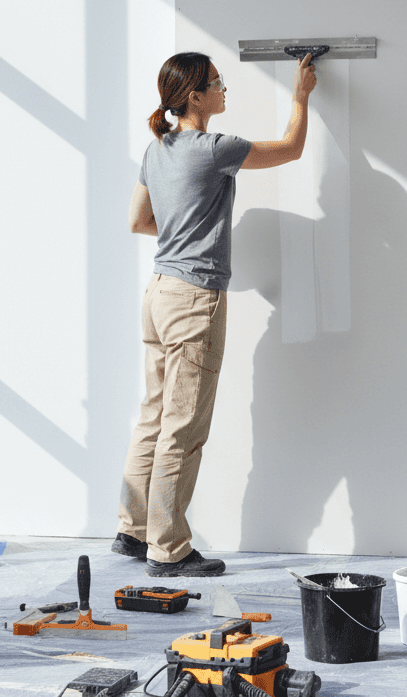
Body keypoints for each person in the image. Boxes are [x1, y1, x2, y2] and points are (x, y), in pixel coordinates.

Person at [114, 50, 318, 576]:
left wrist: (182, 234)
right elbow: (291, 149)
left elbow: (139, 221)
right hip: (193, 299)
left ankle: (132, 531)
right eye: (217, 82)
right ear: (195, 96)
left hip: (158, 293)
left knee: (155, 417)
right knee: (183, 426)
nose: (225, 89)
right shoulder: (213, 149)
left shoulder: (156, 149)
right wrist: (301, 95)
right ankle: (169, 549)